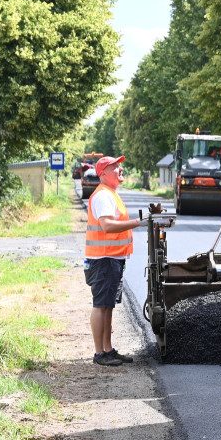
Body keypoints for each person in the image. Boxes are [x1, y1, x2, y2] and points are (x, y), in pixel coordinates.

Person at [84, 156, 142, 366]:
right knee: (101, 306)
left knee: (108, 306)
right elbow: (107, 226)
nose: (120, 168)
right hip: (104, 260)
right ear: (103, 173)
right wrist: (138, 222)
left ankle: (108, 349)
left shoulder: (111, 194)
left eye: (119, 165)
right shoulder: (103, 196)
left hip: (111, 259)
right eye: (115, 167)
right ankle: (100, 354)